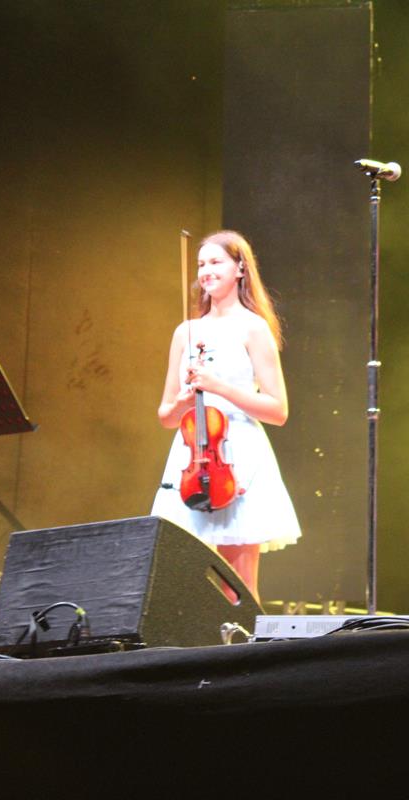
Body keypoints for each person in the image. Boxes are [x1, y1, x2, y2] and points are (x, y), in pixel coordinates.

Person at [151, 230, 300, 601]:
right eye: (201, 264)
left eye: (216, 262)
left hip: (237, 455)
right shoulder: (186, 333)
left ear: (240, 269)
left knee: (238, 588)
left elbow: (278, 409)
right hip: (191, 458)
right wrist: (184, 401)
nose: (206, 271)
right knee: (182, 585)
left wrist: (219, 387)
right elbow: (166, 416)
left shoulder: (253, 327)